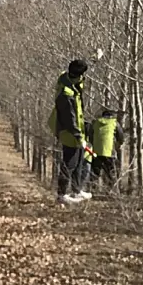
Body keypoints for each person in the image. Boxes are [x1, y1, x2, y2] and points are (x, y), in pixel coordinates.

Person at [51, 58, 91, 204]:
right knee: (69, 163)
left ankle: (77, 190)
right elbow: (70, 119)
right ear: (77, 76)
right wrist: (79, 137)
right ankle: (61, 194)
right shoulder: (66, 94)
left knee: (79, 161)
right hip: (70, 133)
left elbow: (81, 68)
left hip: (77, 131)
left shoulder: (69, 80)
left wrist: (94, 59)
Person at [89, 107, 122, 189]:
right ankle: (110, 191)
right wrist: (118, 144)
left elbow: (90, 135)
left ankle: (93, 190)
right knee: (110, 173)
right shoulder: (115, 123)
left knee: (95, 173)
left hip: (96, 151)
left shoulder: (95, 122)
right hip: (110, 152)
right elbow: (121, 136)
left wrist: (94, 144)